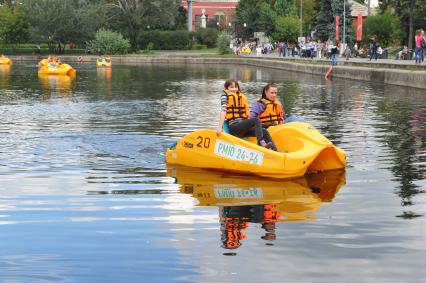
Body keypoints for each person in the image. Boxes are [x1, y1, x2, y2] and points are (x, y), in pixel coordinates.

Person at [216, 79, 274, 149]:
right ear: (226, 88)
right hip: (234, 127)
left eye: (236, 87)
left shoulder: (241, 96)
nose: (234, 89)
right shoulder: (225, 96)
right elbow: (223, 111)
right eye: (231, 87)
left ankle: (276, 152)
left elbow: (247, 118)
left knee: (264, 131)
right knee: (256, 120)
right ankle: (260, 142)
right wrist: (219, 127)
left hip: (243, 128)